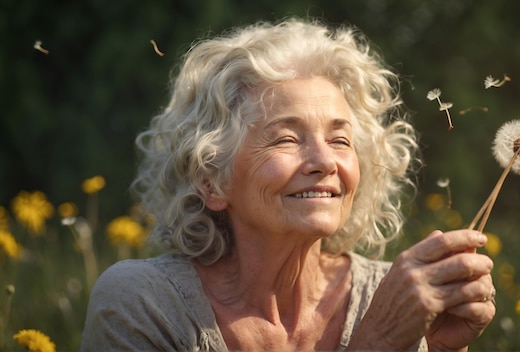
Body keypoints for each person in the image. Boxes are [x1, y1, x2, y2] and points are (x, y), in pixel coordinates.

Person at [80, 17, 495, 351]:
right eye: (286, 138)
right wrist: (379, 343)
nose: (324, 161)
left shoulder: (399, 302)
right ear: (212, 180)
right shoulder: (144, 304)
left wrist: (436, 350)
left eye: (340, 140)